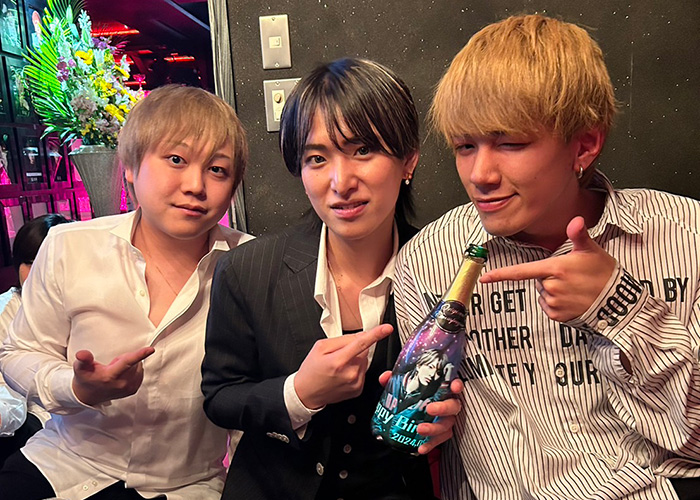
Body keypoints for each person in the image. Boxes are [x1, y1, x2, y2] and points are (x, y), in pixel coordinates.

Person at [393, 13, 700, 500]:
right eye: (464, 146)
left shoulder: (686, 236)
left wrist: (618, 306)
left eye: (510, 143)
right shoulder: (427, 260)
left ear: (585, 145)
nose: (480, 174)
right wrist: (426, 425)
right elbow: (423, 430)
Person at [201, 57, 460, 500]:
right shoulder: (246, 270)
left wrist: (449, 421)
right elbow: (219, 396)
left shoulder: (446, 272)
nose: (341, 182)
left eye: (363, 151)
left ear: (408, 160)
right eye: (317, 158)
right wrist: (298, 393)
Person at [0, 84, 253, 500]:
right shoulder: (68, 246)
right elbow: (19, 352)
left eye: (217, 170)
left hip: (185, 486)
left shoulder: (252, 266)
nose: (196, 185)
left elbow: (255, 404)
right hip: (62, 465)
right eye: (176, 159)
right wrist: (76, 387)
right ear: (130, 167)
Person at [0, 213, 71, 467]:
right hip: (30, 421)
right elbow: (7, 393)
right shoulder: (5, 311)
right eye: (30, 263)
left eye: (46, 264)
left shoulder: (85, 306)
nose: (38, 274)